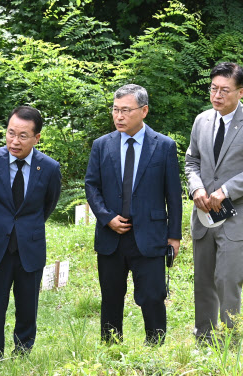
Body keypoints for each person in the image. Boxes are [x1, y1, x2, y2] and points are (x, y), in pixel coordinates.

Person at [85, 84, 182, 345]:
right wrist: (106, 217)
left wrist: (174, 236)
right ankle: (111, 348)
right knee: (111, 296)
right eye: (115, 110)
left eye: (126, 110)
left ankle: (155, 346)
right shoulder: (101, 145)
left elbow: (173, 195)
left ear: (144, 111)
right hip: (111, 234)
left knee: (152, 296)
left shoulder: (163, 146)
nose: (119, 116)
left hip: (150, 235)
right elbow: (91, 186)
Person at [185, 62, 243, 343]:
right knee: (203, 280)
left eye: (225, 90)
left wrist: (226, 190)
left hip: (237, 216)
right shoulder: (202, 120)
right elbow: (192, 161)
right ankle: (204, 338)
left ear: (241, 92)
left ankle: (231, 340)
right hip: (204, 214)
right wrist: (196, 187)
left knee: (227, 279)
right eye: (213, 89)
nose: (217, 96)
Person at [0, 106, 61, 358]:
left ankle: (23, 351)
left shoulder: (50, 168)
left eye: (23, 135)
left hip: (29, 247)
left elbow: (48, 205)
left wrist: (26, 227)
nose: (15, 141)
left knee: (27, 305)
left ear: (37, 138)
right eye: (11, 133)